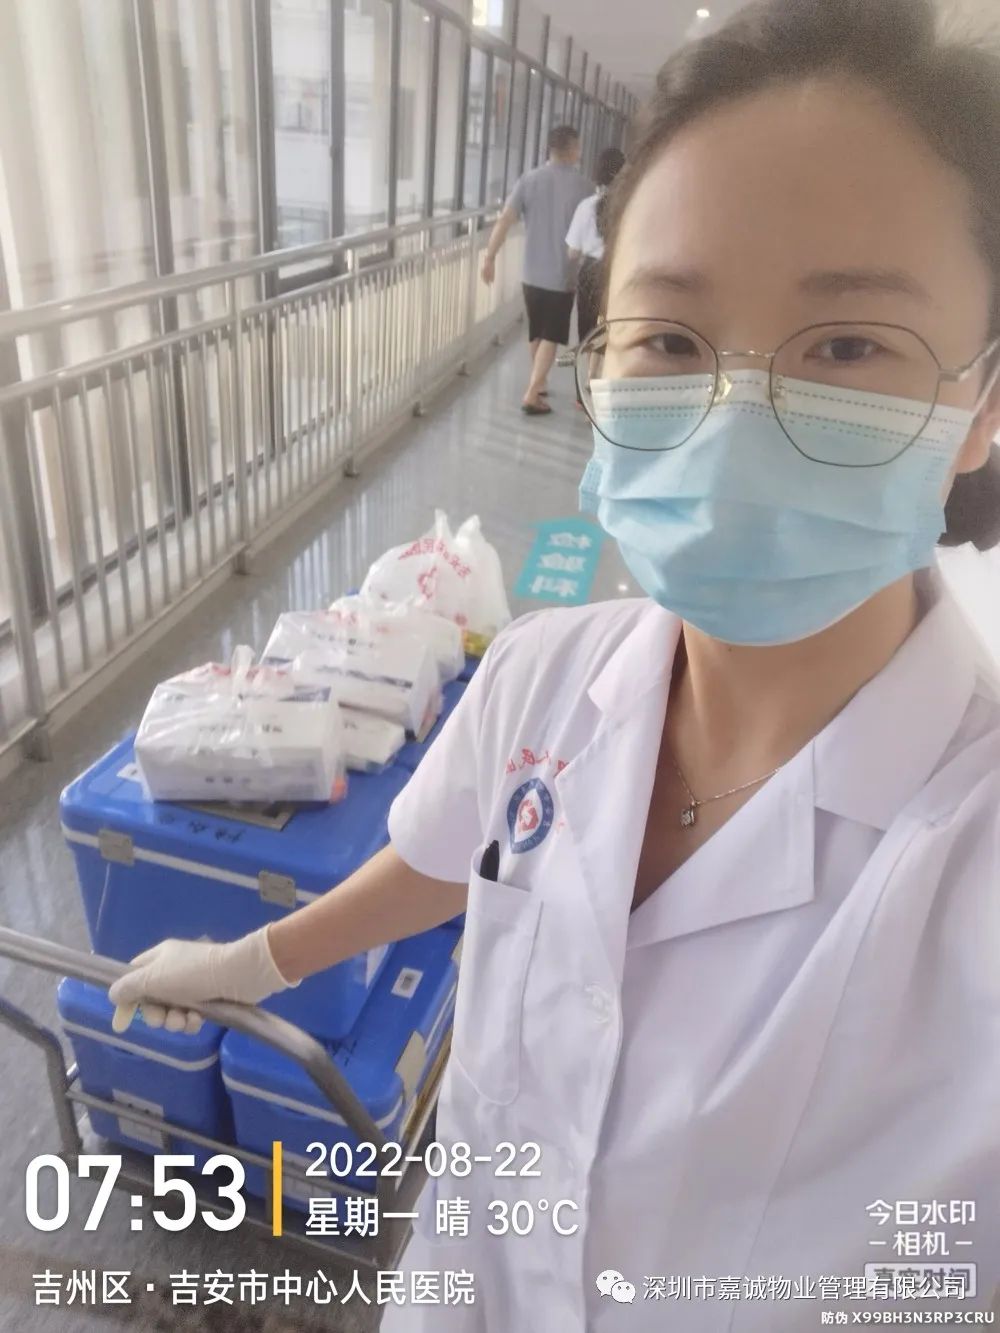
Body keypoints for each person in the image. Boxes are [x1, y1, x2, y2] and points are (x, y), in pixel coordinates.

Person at [109, 0, 1000, 1327]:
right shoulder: (539, 672)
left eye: (846, 346)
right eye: (671, 340)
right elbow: (455, 855)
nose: (730, 417)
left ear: (982, 404)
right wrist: (259, 961)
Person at [480, 124, 591, 415]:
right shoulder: (584, 187)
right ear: (572, 149)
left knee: (537, 330)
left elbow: (505, 219)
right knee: (551, 335)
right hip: (562, 274)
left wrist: (489, 257)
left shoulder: (528, 180)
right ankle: (531, 393)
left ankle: (538, 382)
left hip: (530, 273)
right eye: (578, 147)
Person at [566, 146, 626, 349]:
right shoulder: (628, 207)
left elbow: (572, 252)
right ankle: (601, 366)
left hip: (589, 274)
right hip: (616, 272)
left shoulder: (586, 206)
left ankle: (591, 367)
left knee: (589, 333)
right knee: (610, 328)